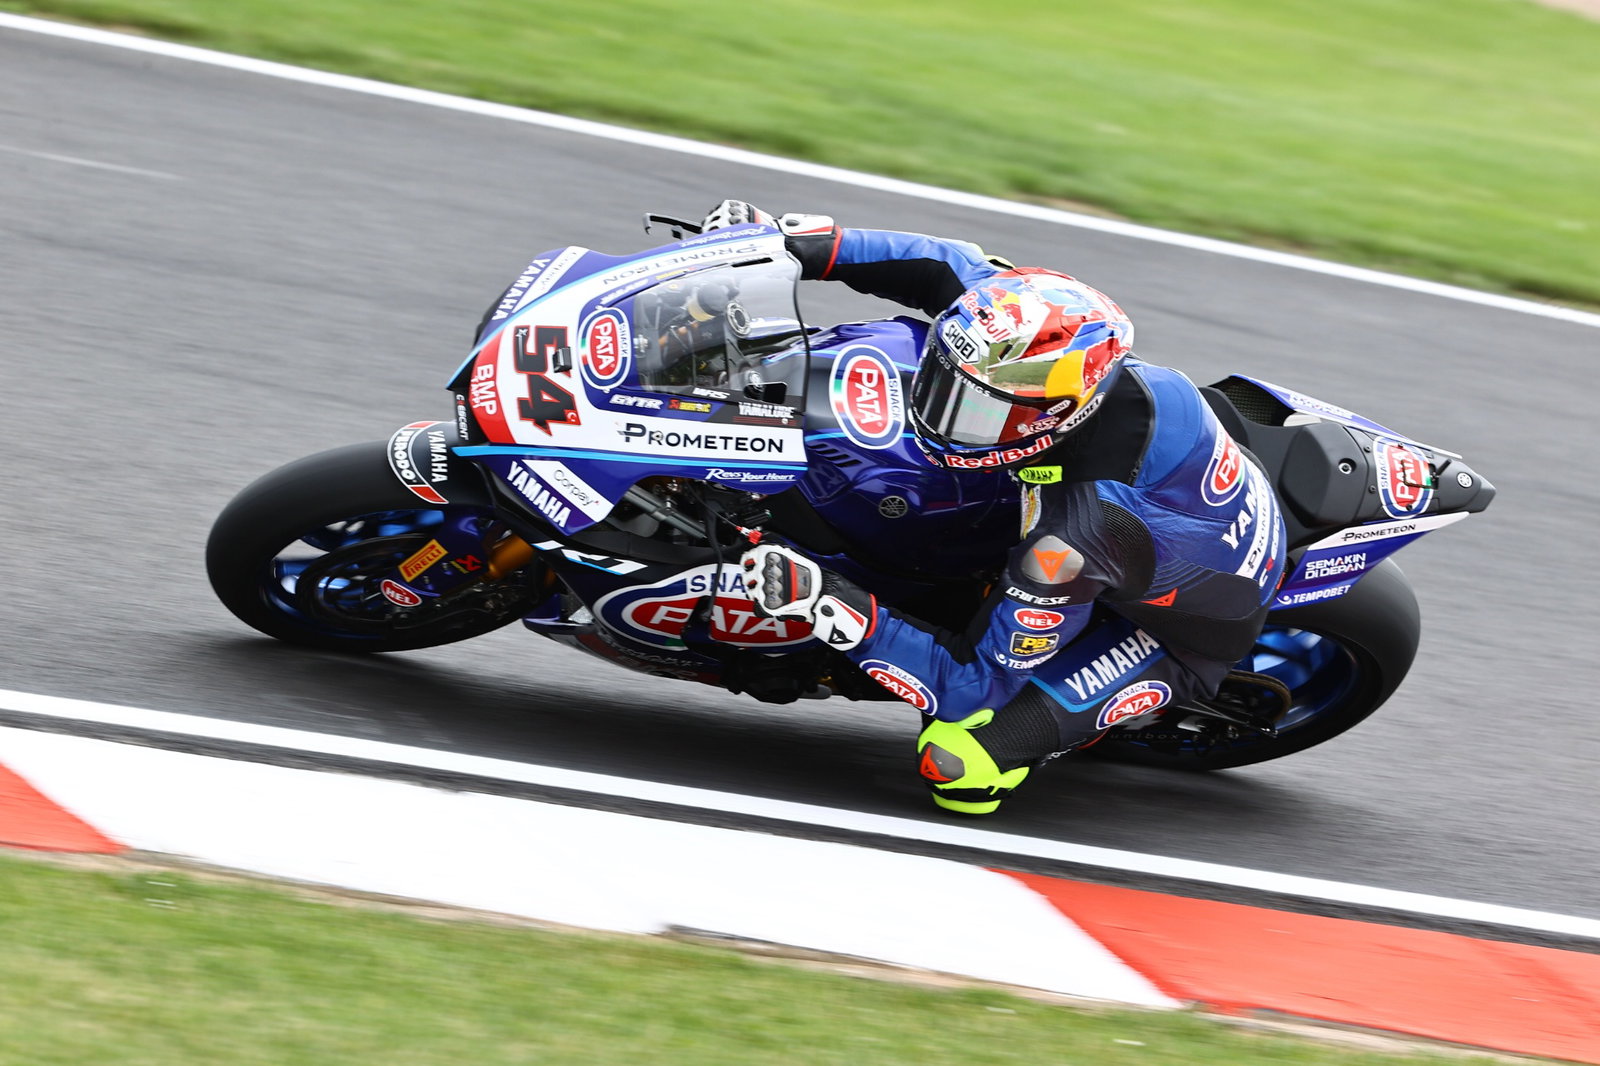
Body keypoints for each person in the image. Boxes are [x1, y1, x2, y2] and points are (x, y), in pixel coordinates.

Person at [700, 200, 1287, 815]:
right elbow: (942, 265)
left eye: (978, 411)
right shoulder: (1030, 345)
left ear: (1061, 413)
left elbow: (968, 685)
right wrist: (795, 245)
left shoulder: (1069, 542)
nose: (939, 410)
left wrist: (830, 601)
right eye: (943, 381)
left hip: (1174, 627)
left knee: (957, 761)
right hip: (1164, 510)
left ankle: (1037, 743)